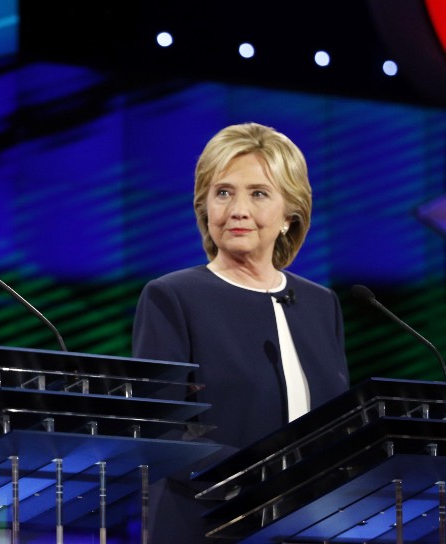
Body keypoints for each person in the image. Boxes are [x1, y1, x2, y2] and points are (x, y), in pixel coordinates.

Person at [132, 122, 350, 543]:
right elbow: (157, 432)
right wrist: (261, 479)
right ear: (205, 206)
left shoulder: (323, 305)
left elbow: (337, 428)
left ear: (290, 214)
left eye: (259, 193)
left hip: (311, 528)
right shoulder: (173, 297)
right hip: (208, 526)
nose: (237, 210)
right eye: (223, 192)